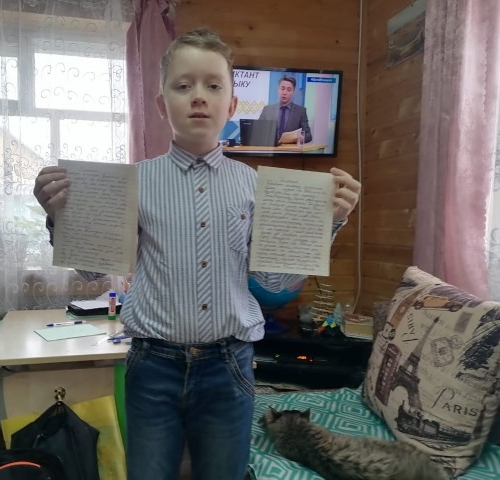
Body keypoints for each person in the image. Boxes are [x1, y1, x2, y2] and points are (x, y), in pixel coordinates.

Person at [33, 27, 361, 480]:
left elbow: (274, 283)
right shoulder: (133, 183)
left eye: (213, 86)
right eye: (183, 86)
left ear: (232, 105)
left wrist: (329, 222)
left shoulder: (256, 187)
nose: (199, 97)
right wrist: (60, 217)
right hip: (152, 365)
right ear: (161, 104)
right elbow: (92, 271)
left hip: (229, 367)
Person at [258, 75, 312, 144]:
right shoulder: (267, 110)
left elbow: (308, 136)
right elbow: (257, 131)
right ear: (278, 89)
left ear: (293, 92)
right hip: (270, 149)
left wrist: (299, 138)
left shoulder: (300, 111)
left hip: (290, 149)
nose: (284, 93)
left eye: (289, 90)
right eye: (282, 89)